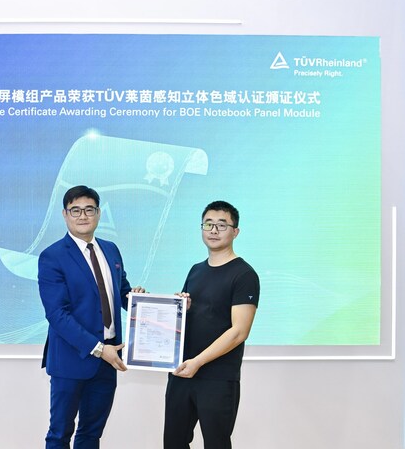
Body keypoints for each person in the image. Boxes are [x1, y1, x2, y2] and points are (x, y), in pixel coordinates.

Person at [38, 185, 144, 448]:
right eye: (75, 210)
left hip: (109, 359)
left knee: (91, 434)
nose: (83, 216)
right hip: (71, 359)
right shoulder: (52, 256)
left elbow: (122, 293)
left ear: (98, 213)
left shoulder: (111, 249)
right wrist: (98, 348)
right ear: (65, 214)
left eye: (89, 209)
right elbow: (57, 314)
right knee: (59, 434)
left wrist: (142, 301)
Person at [164, 200, 260, 449]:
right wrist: (181, 309)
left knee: (216, 444)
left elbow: (239, 332)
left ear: (235, 231)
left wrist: (198, 362)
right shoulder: (195, 270)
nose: (214, 230)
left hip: (217, 377)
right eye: (208, 224)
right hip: (182, 371)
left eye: (222, 225)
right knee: (173, 442)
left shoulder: (244, 275)